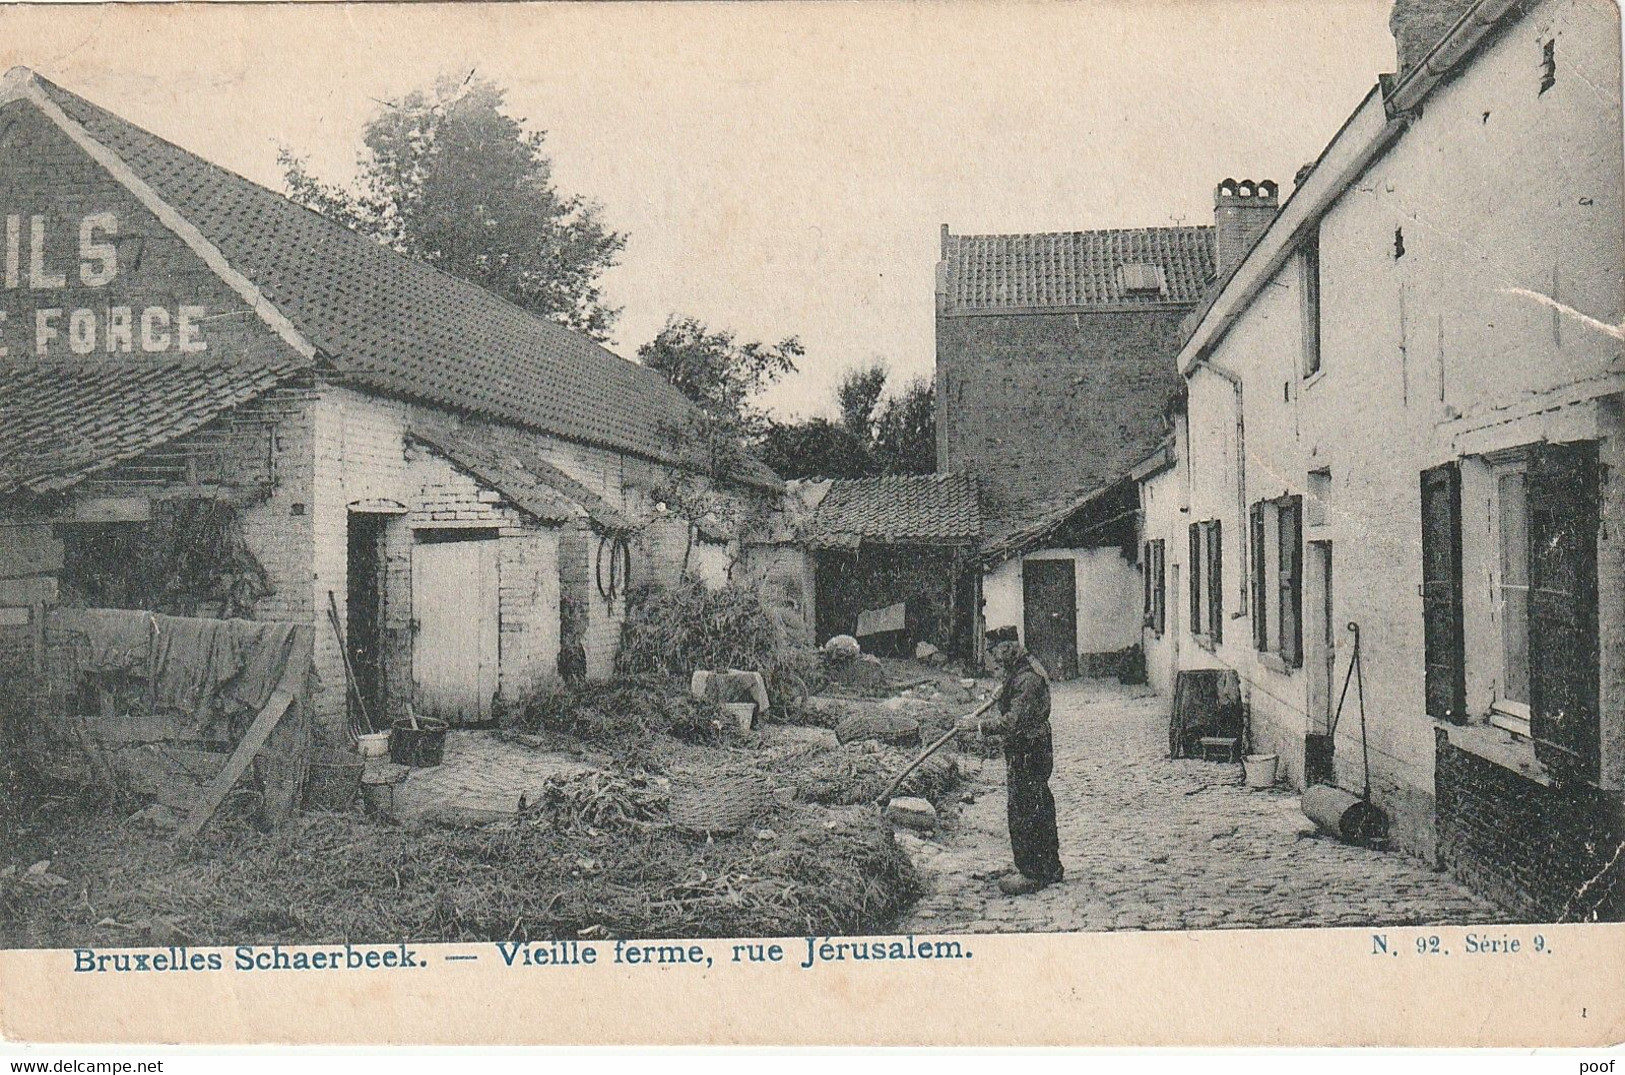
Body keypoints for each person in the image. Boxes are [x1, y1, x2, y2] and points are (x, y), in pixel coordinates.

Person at [960, 639, 1064, 894]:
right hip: (1027, 747)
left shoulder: (1027, 679)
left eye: (996, 652)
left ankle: (1031, 873)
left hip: (1029, 748)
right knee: (1037, 804)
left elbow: (1013, 723)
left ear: (1008, 649)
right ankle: (1048, 867)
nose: (994, 659)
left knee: (1024, 808)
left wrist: (978, 726)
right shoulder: (1020, 671)